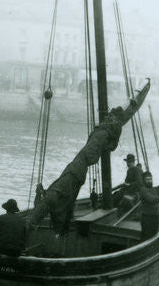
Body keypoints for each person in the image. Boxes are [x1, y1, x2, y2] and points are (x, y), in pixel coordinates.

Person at [29, 79, 151, 234]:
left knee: (116, 197)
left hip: (92, 168)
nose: (127, 164)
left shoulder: (101, 133)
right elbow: (110, 145)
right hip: (91, 165)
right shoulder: (104, 134)